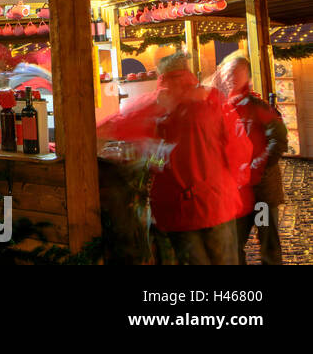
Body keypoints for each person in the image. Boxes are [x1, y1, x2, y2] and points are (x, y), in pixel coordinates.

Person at [96, 52, 249, 265]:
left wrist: (150, 160)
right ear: (187, 71)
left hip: (177, 209)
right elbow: (239, 146)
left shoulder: (153, 104)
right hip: (217, 201)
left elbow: (116, 129)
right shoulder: (213, 100)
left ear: (162, 74)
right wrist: (233, 182)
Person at [219, 55, 287, 265]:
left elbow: (278, 140)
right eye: (227, 74)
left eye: (234, 73)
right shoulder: (225, 109)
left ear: (245, 76)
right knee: (233, 243)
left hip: (261, 195)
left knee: (267, 241)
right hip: (238, 195)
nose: (229, 78)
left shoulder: (259, 107)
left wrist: (256, 167)